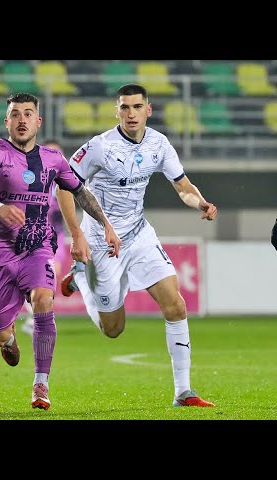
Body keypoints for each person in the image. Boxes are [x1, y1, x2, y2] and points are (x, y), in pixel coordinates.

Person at [58, 83, 218, 407]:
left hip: (139, 235)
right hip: (102, 243)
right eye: (125, 107)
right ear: (116, 111)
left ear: (148, 109)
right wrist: (77, 234)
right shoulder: (100, 147)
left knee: (176, 305)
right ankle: (81, 278)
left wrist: (199, 202)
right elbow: (63, 184)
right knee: (113, 329)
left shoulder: (159, 144)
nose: (131, 113)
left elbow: (183, 185)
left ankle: (183, 391)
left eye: (137, 107)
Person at [0, 92, 121, 410]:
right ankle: (8, 338)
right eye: (15, 114)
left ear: (38, 121)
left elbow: (79, 191)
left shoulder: (53, 159)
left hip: (38, 246)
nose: (22, 120)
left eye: (28, 114)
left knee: (43, 298)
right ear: (7, 121)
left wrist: (105, 225)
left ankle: (41, 384)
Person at [21, 139, 68, 337]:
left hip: (56, 238)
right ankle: (35, 317)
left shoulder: (66, 180)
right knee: (32, 281)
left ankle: (37, 318)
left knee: (51, 275)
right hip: (33, 238)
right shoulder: (29, 176)